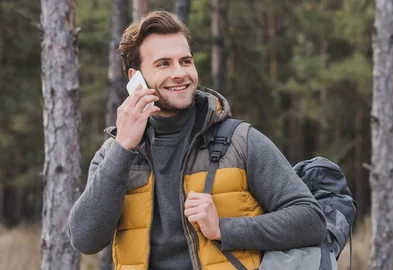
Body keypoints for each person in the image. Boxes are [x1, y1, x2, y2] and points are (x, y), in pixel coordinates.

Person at [68, 11, 326, 270]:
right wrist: (123, 147)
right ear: (135, 78)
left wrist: (224, 228)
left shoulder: (239, 141)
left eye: (186, 61)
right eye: (163, 64)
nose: (180, 73)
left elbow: (311, 220)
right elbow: (85, 239)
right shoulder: (113, 154)